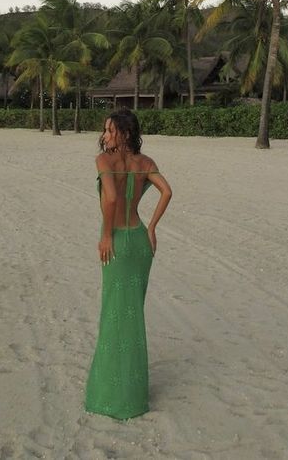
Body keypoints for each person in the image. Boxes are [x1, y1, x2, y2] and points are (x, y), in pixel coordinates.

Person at [85, 108, 172, 419]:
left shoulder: (104, 161)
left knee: (113, 315)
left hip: (118, 243)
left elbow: (110, 198)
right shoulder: (145, 163)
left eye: (110, 131)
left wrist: (106, 235)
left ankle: (111, 396)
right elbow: (167, 191)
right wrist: (152, 228)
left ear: (123, 134)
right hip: (139, 240)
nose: (105, 136)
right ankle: (133, 395)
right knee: (132, 316)